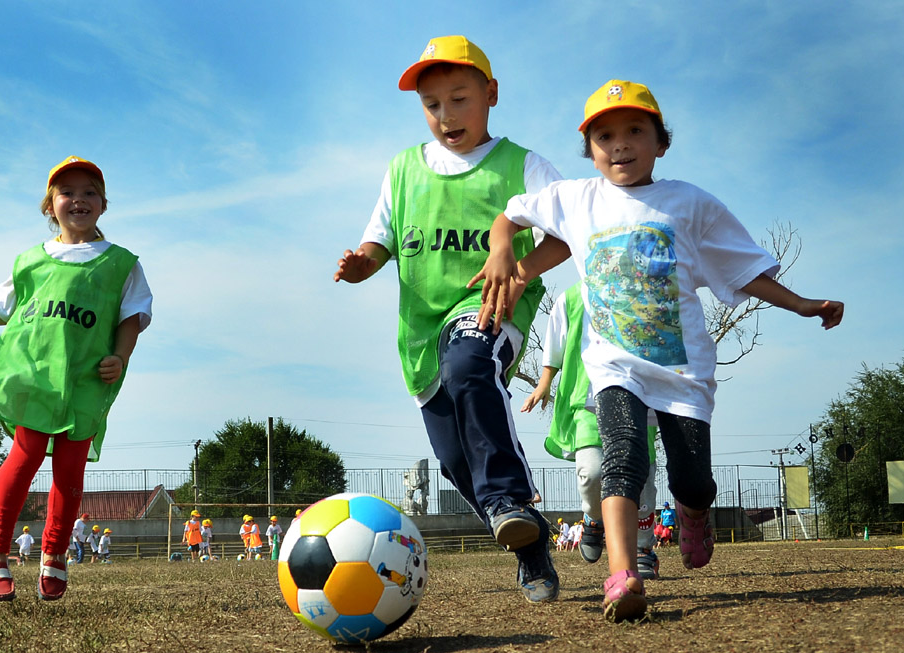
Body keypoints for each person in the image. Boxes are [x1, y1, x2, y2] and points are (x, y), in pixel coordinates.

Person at [478, 79, 843, 621]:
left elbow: (744, 269)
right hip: (614, 365)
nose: (619, 144)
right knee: (622, 459)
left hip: (682, 368)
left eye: (634, 131)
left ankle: (696, 512)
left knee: (690, 478)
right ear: (591, 149)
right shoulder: (577, 198)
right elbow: (510, 215)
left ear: (659, 142)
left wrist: (802, 304)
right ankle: (622, 574)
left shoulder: (689, 204)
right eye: (604, 136)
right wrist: (506, 252)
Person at [333, 36, 570, 603]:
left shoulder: (525, 166)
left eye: (459, 99)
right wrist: (360, 264)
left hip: (490, 312)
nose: (446, 115)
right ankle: (529, 545)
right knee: (453, 460)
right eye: (432, 104)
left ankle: (509, 498)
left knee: (469, 363)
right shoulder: (402, 170)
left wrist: (518, 272)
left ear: (490, 95)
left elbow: (566, 236)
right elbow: (378, 243)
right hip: (420, 331)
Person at [0, 156, 153, 602]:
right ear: (50, 206)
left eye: (89, 192)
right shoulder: (30, 261)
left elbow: (132, 317)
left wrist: (120, 358)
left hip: (87, 381)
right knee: (25, 457)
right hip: (35, 380)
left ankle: (54, 554)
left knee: (69, 471)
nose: (79, 199)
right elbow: (0, 309)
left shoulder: (121, 264)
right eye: (67, 192)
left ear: (104, 205)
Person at [522, 283, 661, 580]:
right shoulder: (572, 298)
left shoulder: (648, 291)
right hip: (588, 404)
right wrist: (544, 382)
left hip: (639, 401)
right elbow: (555, 345)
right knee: (592, 473)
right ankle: (594, 518)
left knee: (643, 478)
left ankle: (642, 548)